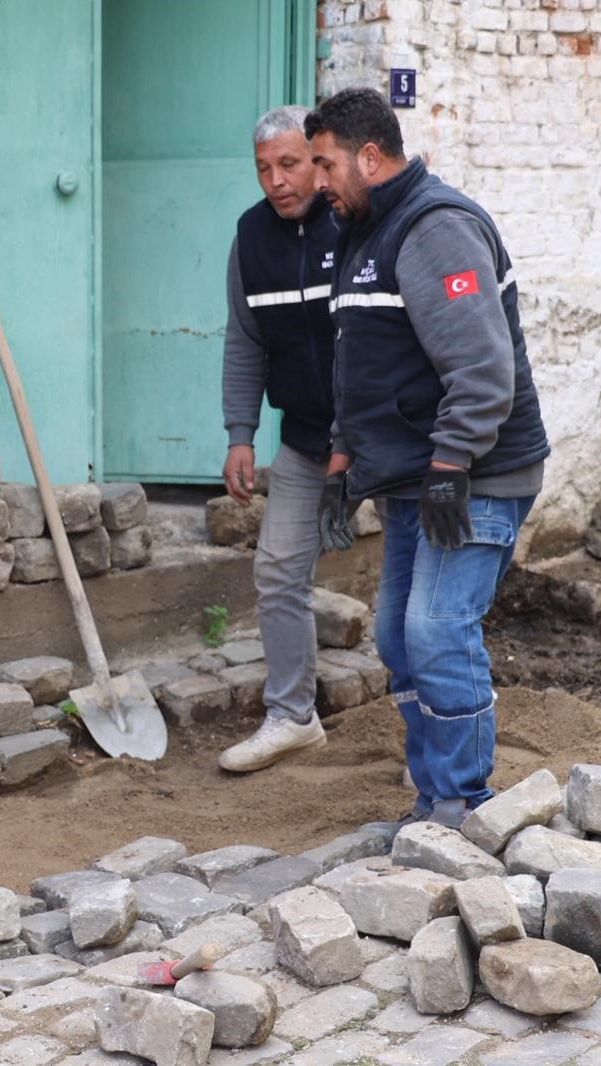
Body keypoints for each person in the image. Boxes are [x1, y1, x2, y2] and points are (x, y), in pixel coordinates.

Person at [306, 89, 551, 833]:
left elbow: (483, 366)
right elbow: (362, 361)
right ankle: (434, 792)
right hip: (416, 476)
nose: (317, 180)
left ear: (369, 157)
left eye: (324, 163)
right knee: (396, 637)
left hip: (473, 472)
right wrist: (342, 462)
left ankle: (464, 802)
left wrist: (451, 465)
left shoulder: (434, 229)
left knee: (440, 631)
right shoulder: (364, 230)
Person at [217, 106, 343, 774]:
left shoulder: (354, 222)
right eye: (264, 168)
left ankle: (440, 724)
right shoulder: (251, 237)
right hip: (302, 440)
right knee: (277, 572)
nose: (277, 180)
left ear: (318, 162)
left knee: (422, 585)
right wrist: (241, 433)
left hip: (380, 438)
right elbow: (245, 340)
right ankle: (294, 716)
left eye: (290, 164)